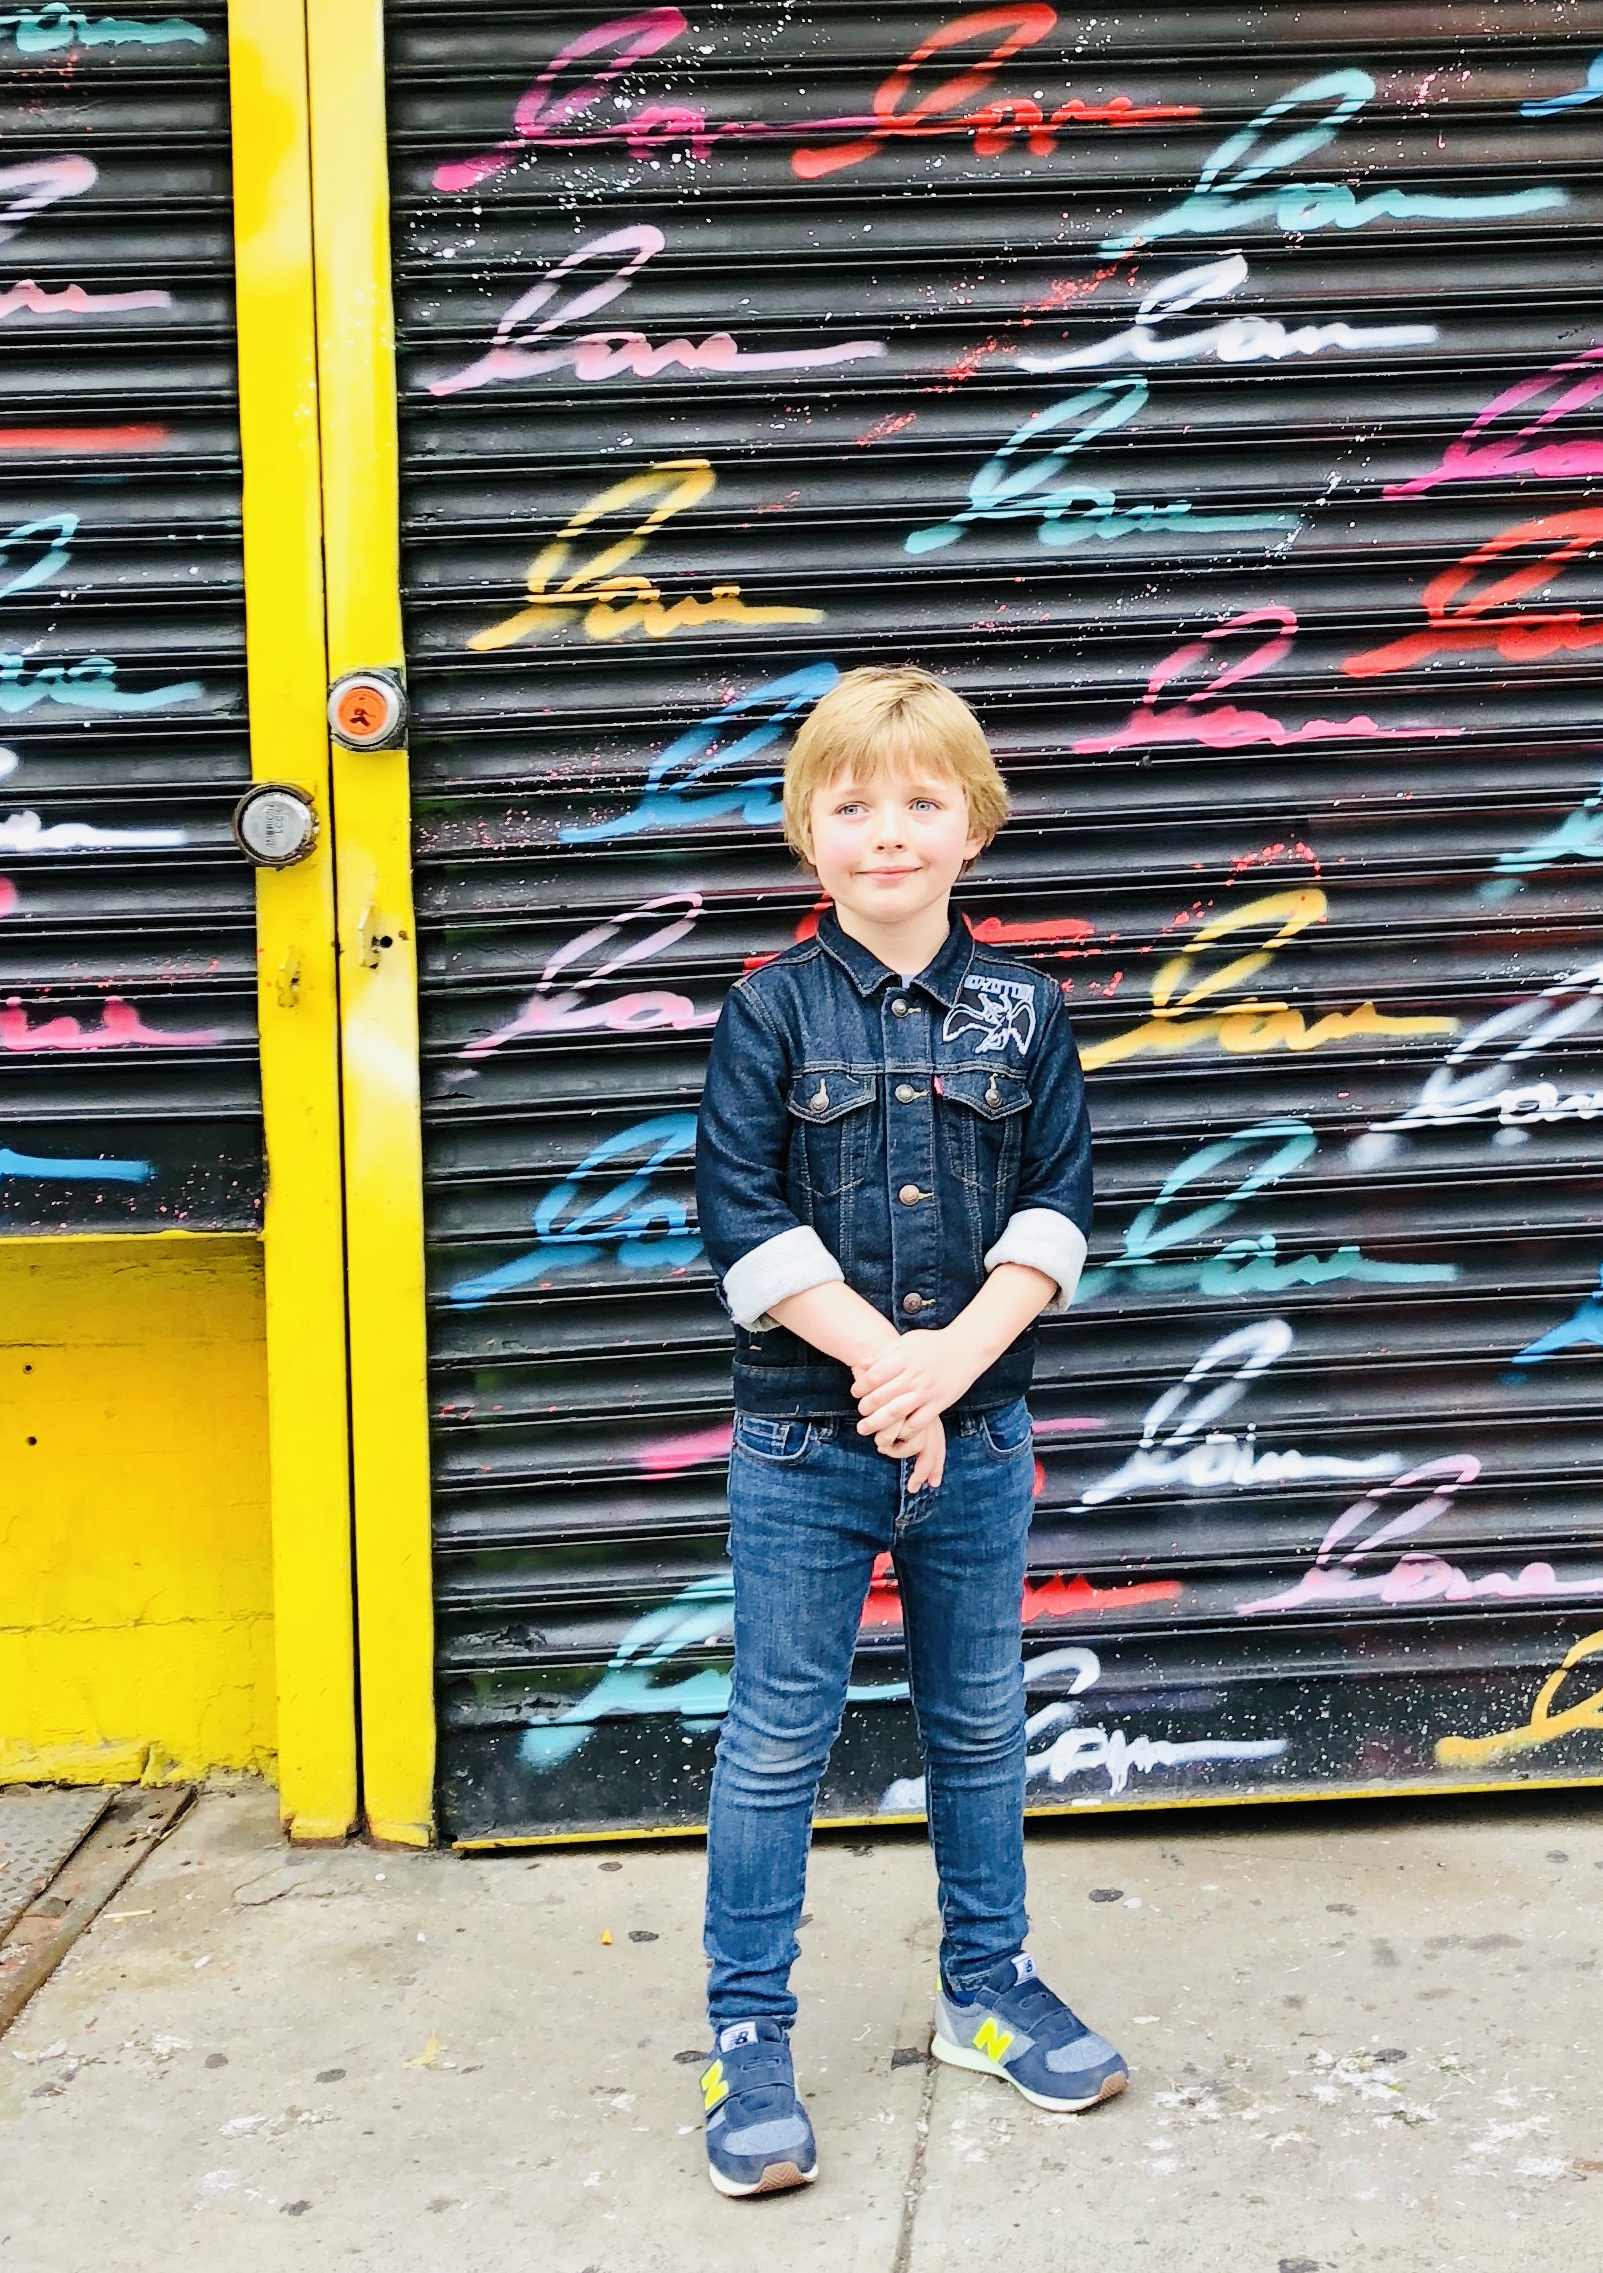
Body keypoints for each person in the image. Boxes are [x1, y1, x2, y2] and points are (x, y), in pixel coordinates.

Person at [688, 662, 1120, 2197]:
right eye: (854, 805)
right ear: (807, 831)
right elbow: (741, 1222)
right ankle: (747, 2034)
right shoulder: (766, 1010)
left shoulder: (1028, 1011)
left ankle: (985, 1991)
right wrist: (889, 1368)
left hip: (980, 1441)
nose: (888, 832)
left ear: (974, 828)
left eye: (922, 803)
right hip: (805, 1446)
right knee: (777, 1736)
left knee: (980, 1722)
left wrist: (951, 1372)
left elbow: (1058, 1215)